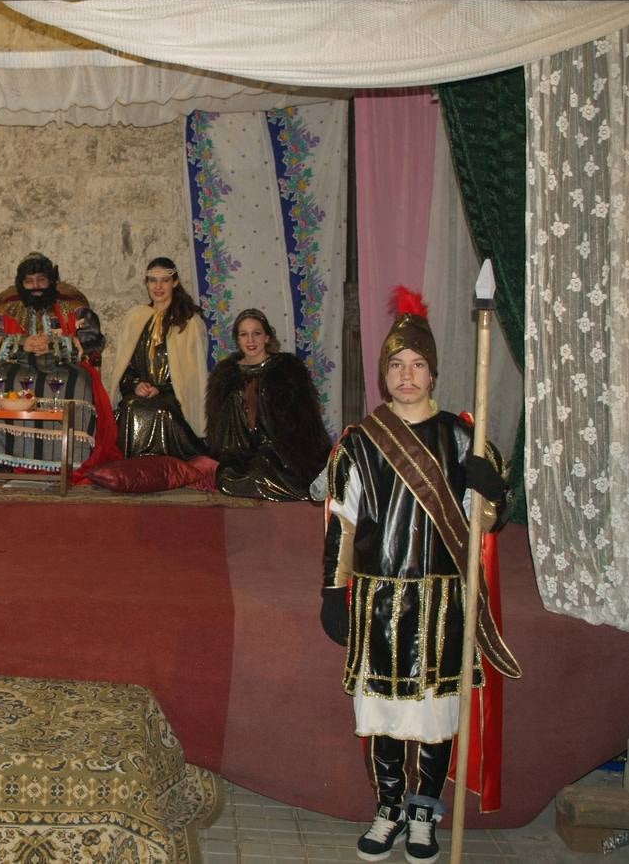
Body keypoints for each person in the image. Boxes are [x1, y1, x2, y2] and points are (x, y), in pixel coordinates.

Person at [318, 288, 520, 863]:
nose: (408, 376)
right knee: (381, 713)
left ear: (433, 372)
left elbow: (485, 522)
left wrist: (490, 489)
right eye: (397, 366)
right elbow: (342, 522)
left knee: (434, 715)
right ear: (384, 374)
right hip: (378, 600)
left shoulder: (463, 437)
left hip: (441, 602)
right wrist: (334, 590)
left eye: (418, 365)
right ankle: (387, 808)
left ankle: (423, 812)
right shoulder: (358, 443)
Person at [0, 252, 117, 474]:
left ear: (51, 281)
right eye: (29, 281)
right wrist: (22, 343)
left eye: (41, 280)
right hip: (18, 363)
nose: (35, 286)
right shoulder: (7, 310)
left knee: (77, 383)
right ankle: (0, 460)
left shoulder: (73, 308)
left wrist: (56, 343)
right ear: (21, 284)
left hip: (63, 364)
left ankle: (71, 461)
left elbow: (94, 337)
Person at [203, 308, 332, 500]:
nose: (251, 340)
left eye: (256, 333)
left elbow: (305, 420)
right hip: (241, 454)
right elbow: (221, 426)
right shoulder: (226, 375)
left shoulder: (287, 370)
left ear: (267, 337)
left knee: (264, 466)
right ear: (237, 340)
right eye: (244, 335)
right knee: (227, 477)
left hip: (281, 451)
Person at [107, 257, 208, 458]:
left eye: (164, 280)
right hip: (139, 395)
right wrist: (136, 385)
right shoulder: (135, 319)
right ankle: (135, 466)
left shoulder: (189, 323)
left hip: (174, 398)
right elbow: (125, 368)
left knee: (161, 411)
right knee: (132, 407)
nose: (158, 286)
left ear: (175, 282)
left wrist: (161, 389)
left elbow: (192, 374)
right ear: (146, 283)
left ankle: (165, 466)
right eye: (152, 280)